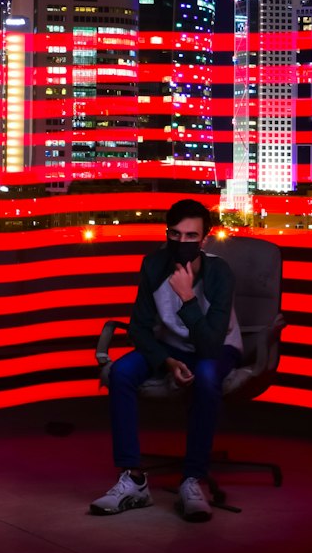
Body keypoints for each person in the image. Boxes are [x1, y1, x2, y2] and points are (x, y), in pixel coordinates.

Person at [90, 198, 242, 522]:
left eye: (191, 236)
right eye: (175, 234)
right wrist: (168, 363)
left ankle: (192, 479)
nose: (182, 242)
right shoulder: (154, 265)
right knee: (121, 372)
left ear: (205, 238)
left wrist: (187, 297)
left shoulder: (219, 273)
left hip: (216, 347)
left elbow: (211, 344)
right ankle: (133, 479)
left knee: (206, 374)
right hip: (169, 346)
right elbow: (139, 329)